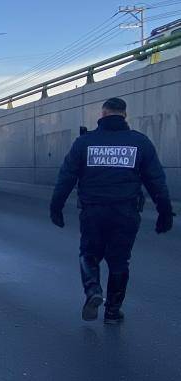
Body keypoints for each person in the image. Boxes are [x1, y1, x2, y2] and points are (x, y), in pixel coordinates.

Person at [50, 97, 174, 324]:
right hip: (126, 213)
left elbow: (66, 177)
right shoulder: (140, 142)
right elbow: (156, 180)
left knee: (89, 254)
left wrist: (56, 206)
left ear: (103, 114)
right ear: (125, 115)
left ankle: (93, 291)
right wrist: (164, 211)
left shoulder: (85, 143)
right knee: (119, 262)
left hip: (93, 211)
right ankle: (113, 312)